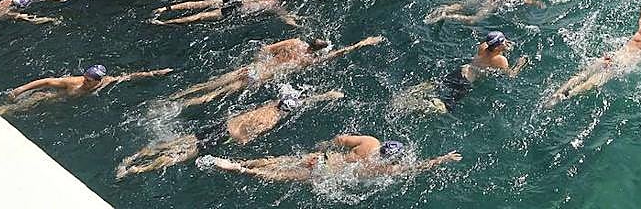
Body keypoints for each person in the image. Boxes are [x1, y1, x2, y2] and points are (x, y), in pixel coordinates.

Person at [116, 87, 344, 178]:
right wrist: (243, 142)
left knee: (179, 141)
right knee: (180, 156)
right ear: (285, 111)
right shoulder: (272, 119)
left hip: (222, 124)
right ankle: (138, 169)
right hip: (225, 136)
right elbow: (245, 137)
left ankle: (134, 156)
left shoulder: (271, 105)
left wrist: (324, 96)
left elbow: (297, 101)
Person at [169, 36, 384, 110]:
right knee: (214, 95)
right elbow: (339, 54)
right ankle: (184, 104)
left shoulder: (295, 43)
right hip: (259, 78)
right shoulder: (309, 61)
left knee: (210, 84)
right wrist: (363, 43)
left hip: (253, 69)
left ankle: (177, 96)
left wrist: (259, 63)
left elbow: (264, 50)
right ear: (320, 50)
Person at [545, 0, 641, 107]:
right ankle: (566, 96)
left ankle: (556, 93)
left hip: (612, 56)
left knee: (582, 75)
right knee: (591, 83)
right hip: (619, 65)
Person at [200, 135, 460, 183]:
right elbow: (416, 168)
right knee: (278, 176)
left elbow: (340, 138)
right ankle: (238, 169)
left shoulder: (370, 142)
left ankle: (242, 162)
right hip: (323, 175)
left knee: (276, 160)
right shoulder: (382, 171)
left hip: (322, 158)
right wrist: (442, 159)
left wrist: (322, 146)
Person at [396, 31, 528, 115]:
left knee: (437, 84)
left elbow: (492, 49)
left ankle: (410, 93)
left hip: (462, 70)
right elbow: (511, 75)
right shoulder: (500, 60)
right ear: (498, 47)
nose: (506, 42)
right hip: (466, 82)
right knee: (444, 108)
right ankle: (418, 105)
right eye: (503, 42)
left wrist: (503, 45)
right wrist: (520, 64)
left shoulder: (483, 47)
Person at [0, 64, 173, 116]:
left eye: (90, 81)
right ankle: (1, 110)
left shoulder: (105, 82)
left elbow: (131, 76)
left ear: (99, 80)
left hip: (69, 102)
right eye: (86, 78)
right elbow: (47, 81)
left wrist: (155, 73)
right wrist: (20, 89)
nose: (86, 82)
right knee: (36, 100)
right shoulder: (73, 82)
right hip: (57, 96)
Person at [151, 0, 329, 27]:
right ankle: (164, 23)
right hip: (236, 8)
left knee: (197, 4)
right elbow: (285, 18)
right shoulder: (276, 6)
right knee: (200, 16)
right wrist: (296, 22)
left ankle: (166, 8)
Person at [0, 0, 68, 25]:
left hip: (7, 11)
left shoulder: (1, 15)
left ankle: (51, 20)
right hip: (14, 0)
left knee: (27, 19)